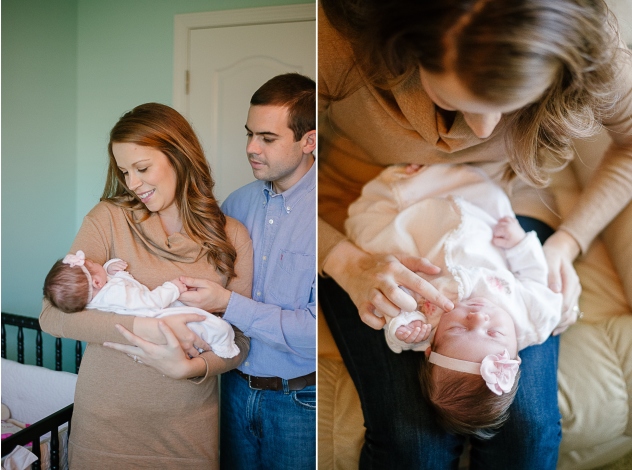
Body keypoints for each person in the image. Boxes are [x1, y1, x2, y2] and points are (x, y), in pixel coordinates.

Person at [318, 0, 632, 467]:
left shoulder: (588, 49)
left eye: (511, 106)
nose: (481, 131)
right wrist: (350, 262)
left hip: (502, 211)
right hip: (378, 212)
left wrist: (566, 243)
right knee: (413, 446)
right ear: (406, 47)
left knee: (526, 433)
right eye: (453, 101)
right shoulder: (335, 44)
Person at [39, 102, 254, 469]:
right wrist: (147, 327)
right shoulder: (108, 218)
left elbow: (241, 341)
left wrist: (191, 368)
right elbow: (52, 317)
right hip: (104, 428)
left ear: (179, 156)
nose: (133, 183)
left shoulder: (232, 236)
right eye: (124, 171)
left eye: (142, 168)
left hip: (187, 434)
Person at [345, 163, 564, 437]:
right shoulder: (531, 319)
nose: (478, 318)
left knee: (370, 237)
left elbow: (401, 315)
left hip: (425, 223)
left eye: (459, 329)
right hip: (478, 213)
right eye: (494, 332)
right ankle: (440, 170)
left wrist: (404, 329)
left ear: (431, 348)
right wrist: (520, 244)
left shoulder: (430, 324)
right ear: (517, 354)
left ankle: (403, 180)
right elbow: (536, 275)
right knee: (492, 196)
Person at [178, 73, 317, 469]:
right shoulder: (235, 206)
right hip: (232, 390)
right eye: (249, 134)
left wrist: (228, 304)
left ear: (309, 141)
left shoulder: (332, 216)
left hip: (300, 404)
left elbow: (315, 332)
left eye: (267, 139)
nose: (251, 148)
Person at [43, 250, 240, 358]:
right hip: (156, 316)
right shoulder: (114, 293)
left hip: (148, 326)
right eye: (93, 263)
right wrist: (172, 288)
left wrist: (108, 267)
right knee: (209, 324)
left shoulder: (94, 299)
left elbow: (109, 284)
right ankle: (224, 346)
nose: (96, 261)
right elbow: (149, 302)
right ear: (96, 282)